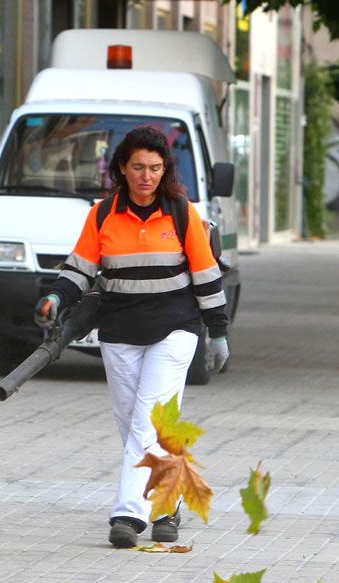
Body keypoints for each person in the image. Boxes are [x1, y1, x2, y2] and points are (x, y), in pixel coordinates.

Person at [35, 126, 230, 549]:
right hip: (120, 330)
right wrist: (54, 295)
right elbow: (80, 269)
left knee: (147, 421)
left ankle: (127, 513)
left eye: (156, 168)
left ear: (166, 170)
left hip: (175, 329)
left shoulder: (181, 212)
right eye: (139, 167)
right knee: (133, 425)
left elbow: (206, 275)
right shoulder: (103, 214)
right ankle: (168, 504)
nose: (147, 176)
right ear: (121, 167)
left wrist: (218, 332)